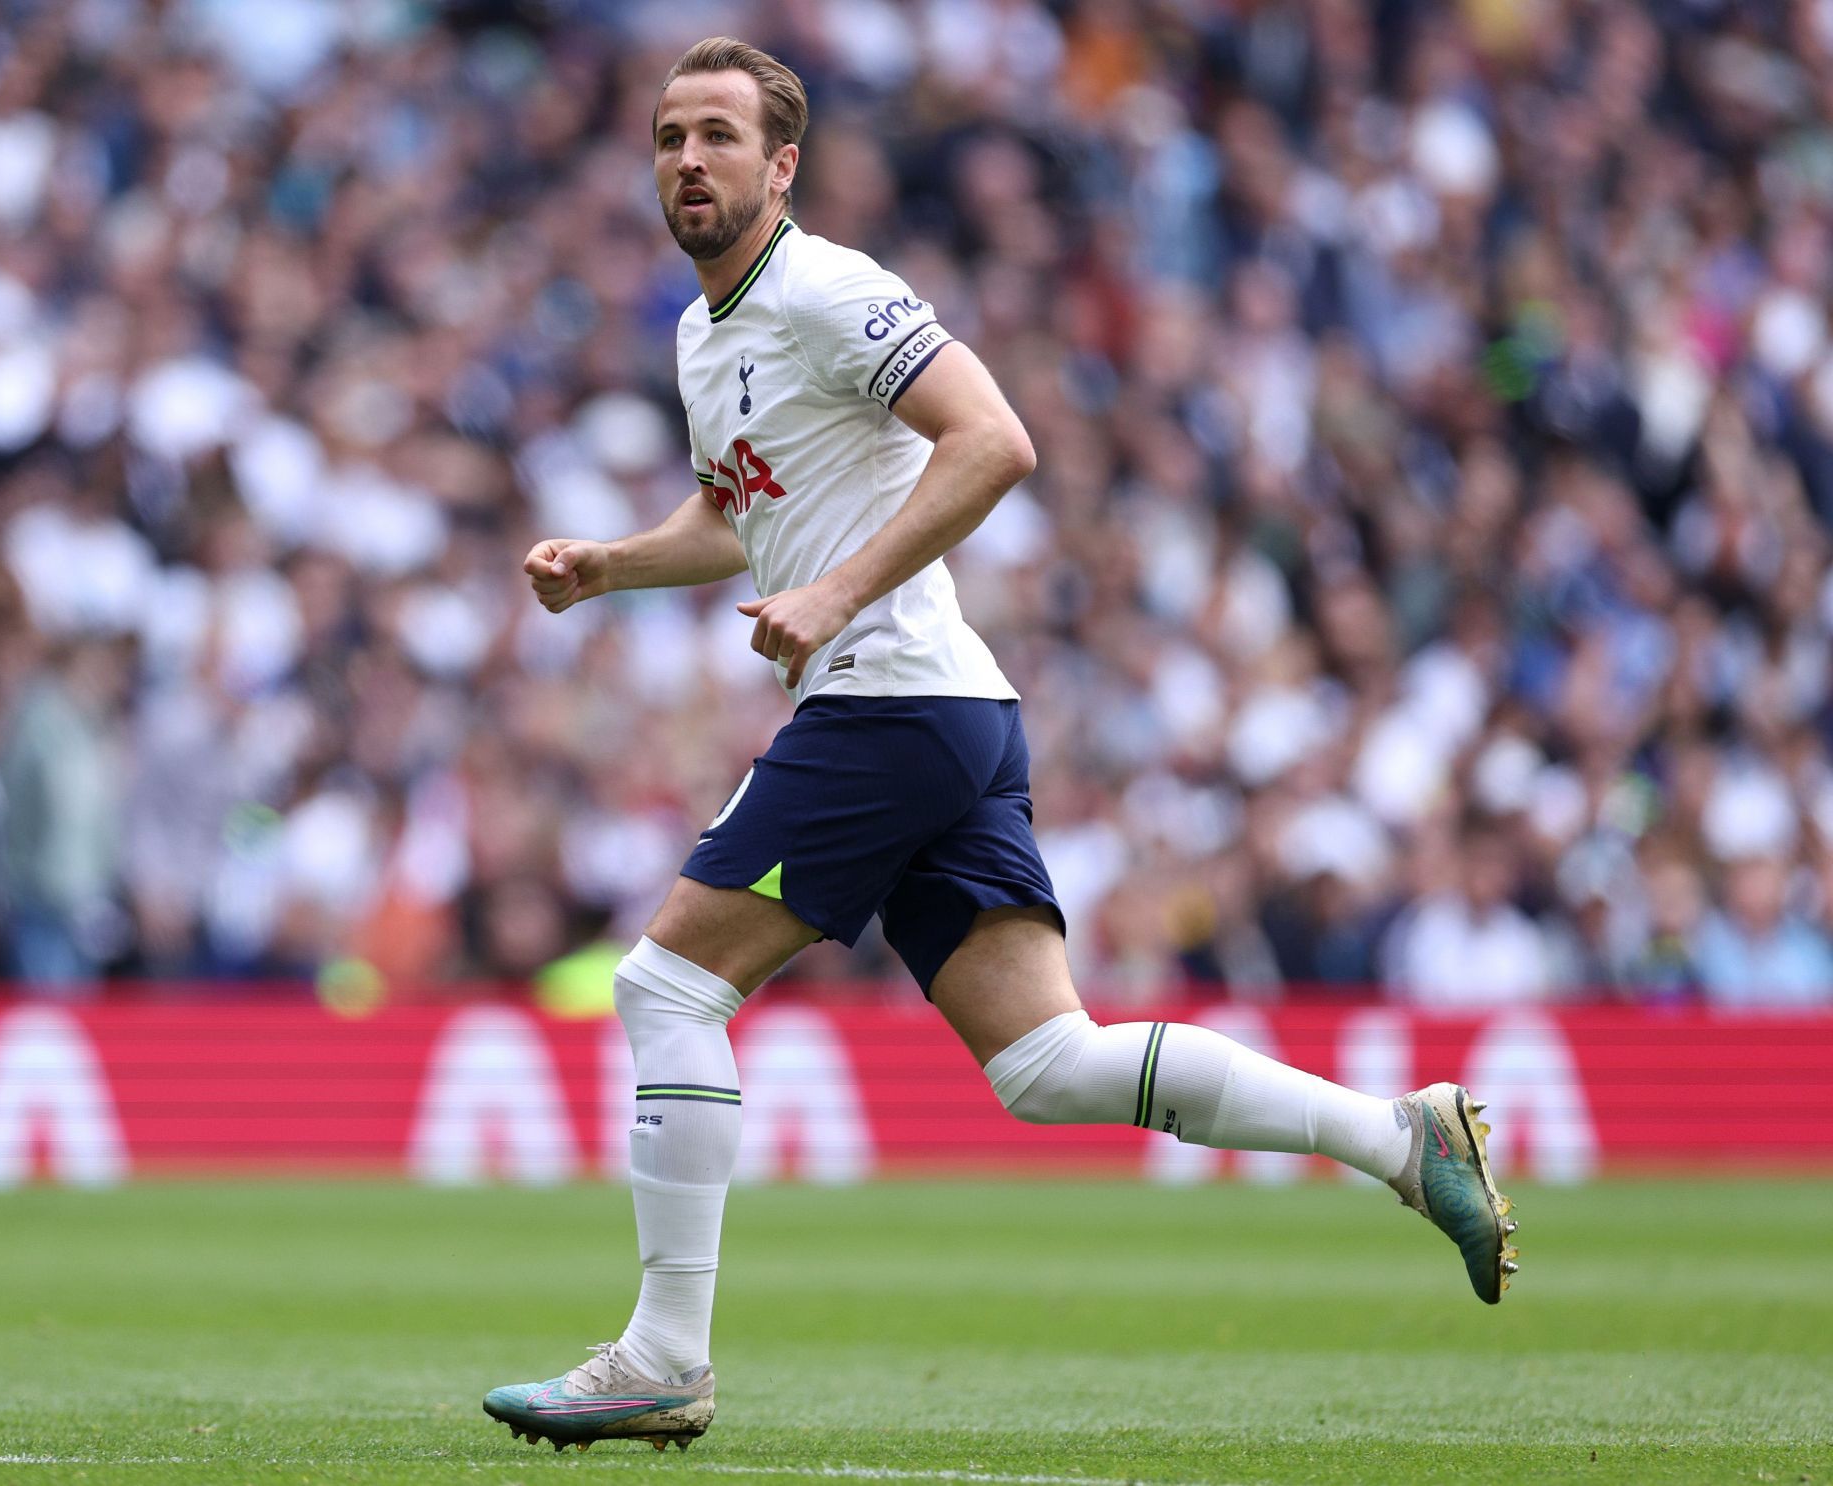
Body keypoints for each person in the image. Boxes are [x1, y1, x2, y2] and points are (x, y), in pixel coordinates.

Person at [482, 37, 1518, 1454]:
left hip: (890, 698)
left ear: (782, 166)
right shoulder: (702, 330)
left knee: (666, 985)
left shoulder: (830, 288)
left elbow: (996, 439)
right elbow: (740, 511)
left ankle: (664, 1353)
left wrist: (839, 591)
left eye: (718, 135)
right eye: (669, 136)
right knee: (1048, 1065)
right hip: (947, 711)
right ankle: (1402, 1139)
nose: (688, 160)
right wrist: (610, 564)